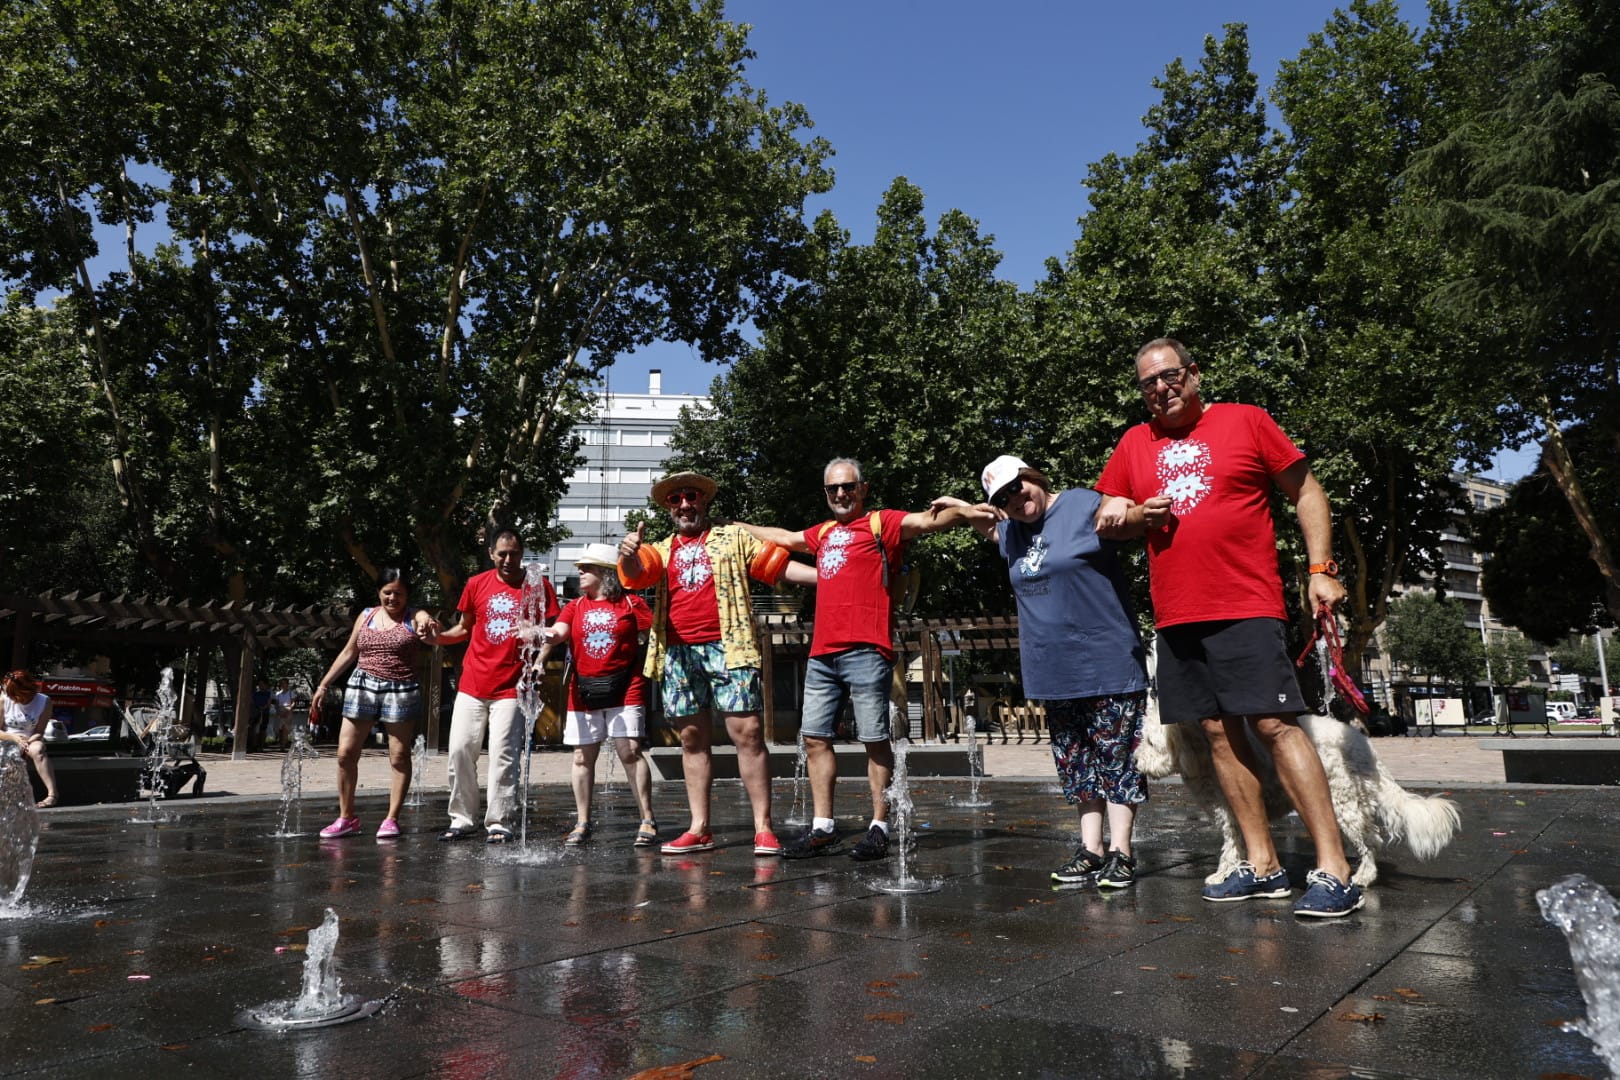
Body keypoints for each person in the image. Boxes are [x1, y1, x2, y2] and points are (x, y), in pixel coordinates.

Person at [1095, 337, 1359, 917]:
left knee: (1274, 723)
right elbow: (1108, 519)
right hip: (1177, 613)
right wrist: (1135, 514)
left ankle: (1334, 868)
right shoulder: (1134, 444)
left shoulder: (1247, 421)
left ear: (1193, 373)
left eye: (1170, 376)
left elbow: (1307, 491)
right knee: (1216, 733)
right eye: (1148, 383)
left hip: (1246, 602)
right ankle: (1261, 864)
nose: (1161, 389)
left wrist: (1320, 569)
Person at [741, 458, 995, 861]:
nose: (840, 494)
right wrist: (738, 528)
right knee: (815, 738)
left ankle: (879, 826)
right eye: (832, 489)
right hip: (823, 653)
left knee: (874, 739)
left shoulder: (882, 523)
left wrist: (963, 510)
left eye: (848, 487)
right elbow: (785, 538)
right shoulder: (823, 532)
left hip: (867, 649)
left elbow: (928, 522)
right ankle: (823, 827)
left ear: (863, 488)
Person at [940, 455, 1152, 888]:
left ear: (1033, 477)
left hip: (1105, 661)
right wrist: (962, 509)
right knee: (1075, 763)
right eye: (1003, 498)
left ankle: (1122, 852)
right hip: (1052, 671)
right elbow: (988, 527)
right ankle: (1091, 849)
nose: (1016, 500)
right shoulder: (1013, 533)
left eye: (1018, 487)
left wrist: (1132, 506)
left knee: (1117, 760)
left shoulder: (1079, 504)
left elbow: (1127, 519)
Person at [618, 471, 811, 856]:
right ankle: (700, 827)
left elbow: (777, 567)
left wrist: (830, 578)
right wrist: (628, 555)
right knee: (691, 740)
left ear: (703, 501)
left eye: (690, 497)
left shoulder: (732, 538)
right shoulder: (658, 549)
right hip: (677, 653)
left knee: (749, 734)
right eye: (676, 500)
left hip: (730, 646)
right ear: (669, 509)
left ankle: (763, 828)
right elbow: (637, 577)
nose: (684, 504)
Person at [433, 530, 558, 844]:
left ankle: (499, 821)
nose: (508, 559)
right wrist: (438, 638)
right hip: (473, 683)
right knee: (460, 750)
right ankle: (462, 819)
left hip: (512, 687)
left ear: (522, 553)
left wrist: (540, 660)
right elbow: (464, 628)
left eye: (514, 553)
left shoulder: (538, 586)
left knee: (503, 755)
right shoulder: (476, 584)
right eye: (502, 553)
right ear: (491, 554)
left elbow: (551, 632)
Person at [541, 543, 657, 846]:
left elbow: (658, 632)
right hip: (584, 690)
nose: (579, 572)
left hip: (626, 687)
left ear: (606, 573)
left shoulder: (632, 604)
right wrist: (539, 633)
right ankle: (583, 821)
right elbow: (558, 633)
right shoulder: (575, 606)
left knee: (630, 751)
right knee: (581, 757)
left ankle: (647, 818)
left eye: (587, 567)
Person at [311, 569, 440, 839]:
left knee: (399, 756)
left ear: (407, 596)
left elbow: (425, 618)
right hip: (362, 685)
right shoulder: (366, 615)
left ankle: (391, 818)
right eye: (387, 592)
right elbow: (349, 652)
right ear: (379, 592)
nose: (393, 598)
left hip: (400, 689)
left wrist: (426, 617)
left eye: (399, 593)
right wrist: (323, 685)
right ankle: (346, 818)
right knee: (345, 753)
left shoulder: (413, 616)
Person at [1, 670, 59, 808]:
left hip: (31, 739)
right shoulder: (4, 699)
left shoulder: (44, 701)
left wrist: (28, 741)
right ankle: (11, 798)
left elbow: (39, 732)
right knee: (11, 753)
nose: (14, 699)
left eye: (17, 695)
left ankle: (52, 794)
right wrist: (13, 737)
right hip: (7, 738)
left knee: (38, 750)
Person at [269, 678, 296, 751]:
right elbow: (276, 704)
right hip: (279, 710)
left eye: (284, 683)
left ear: (287, 684)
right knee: (277, 729)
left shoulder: (291, 693)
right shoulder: (278, 694)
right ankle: (280, 742)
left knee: (285, 729)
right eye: (281, 683)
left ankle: (283, 746)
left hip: (288, 709)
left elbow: (293, 702)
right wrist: (278, 711)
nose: (283, 685)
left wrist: (289, 709)